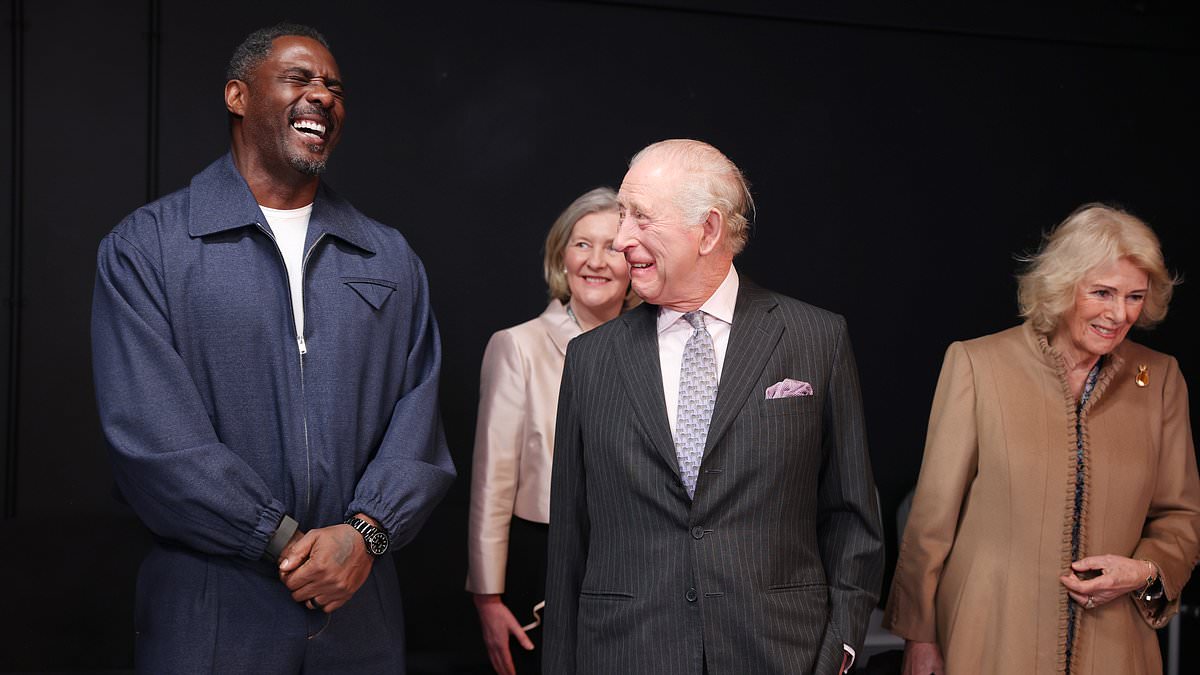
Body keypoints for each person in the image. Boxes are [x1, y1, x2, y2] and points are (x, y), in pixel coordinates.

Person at [90, 23, 455, 672]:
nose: (323, 96)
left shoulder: (389, 256)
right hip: (211, 617)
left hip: (359, 617)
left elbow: (419, 420)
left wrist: (364, 534)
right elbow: (153, 441)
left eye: (334, 88)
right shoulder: (147, 249)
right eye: (300, 79)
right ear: (238, 96)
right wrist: (285, 541)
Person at [543, 139, 884, 674]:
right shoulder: (591, 360)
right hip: (627, 654)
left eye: (640, 218)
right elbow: (569, 541)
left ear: (707, 230)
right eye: (621, 216)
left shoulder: (815, 338)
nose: (622, 238)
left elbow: (852, 517)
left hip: (779, 655)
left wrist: (840, 646)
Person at [883, 203, 1200, 675]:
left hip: (1115, 648)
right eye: (1102, 293)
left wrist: (1145, 571)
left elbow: (1181, 518)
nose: (1119, 314)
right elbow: (930, 522)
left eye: (1135, 296)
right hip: (988, 639)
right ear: (1063, 285)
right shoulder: (978, 365)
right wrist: (920, 636)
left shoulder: (1160, 378)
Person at [467, 187, 633, 675]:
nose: (596, 261)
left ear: (637, 263)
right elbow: (491, 485)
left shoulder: (659, 350)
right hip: (543, 560)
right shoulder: (517, 346)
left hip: (633, 562)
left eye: (613, 246)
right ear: (561, 257)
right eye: (582, 244)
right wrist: (487, 598)